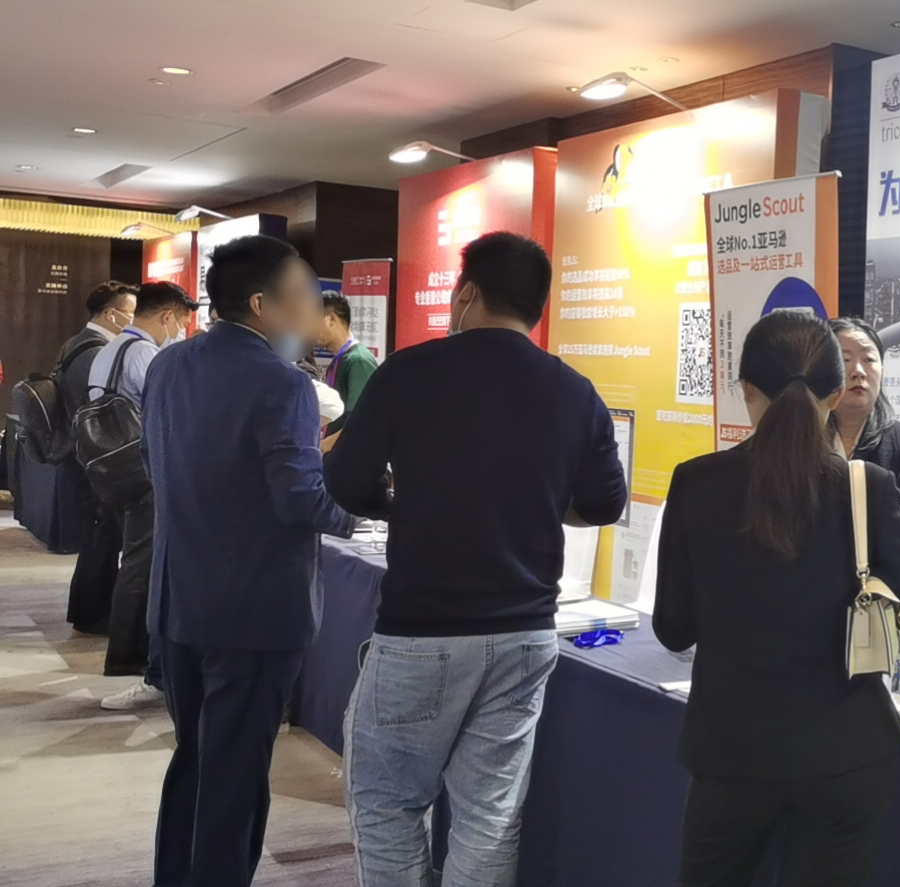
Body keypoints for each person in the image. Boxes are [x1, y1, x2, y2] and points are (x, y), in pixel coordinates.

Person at [325, 231, 626, 887]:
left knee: (386, 801)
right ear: (537, 308)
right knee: (489, 816)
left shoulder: (409, 371)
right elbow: (605, 503)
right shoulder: (574, 390)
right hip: (526, 631)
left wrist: (404, 506)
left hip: (422, 629)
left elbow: (345, 481)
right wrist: (536, 504)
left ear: (465, 293)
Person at [653, 310, 900, 887]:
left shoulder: (696, 482)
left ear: (747, 390)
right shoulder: (867, 487)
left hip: (731, 751)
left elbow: (673, 627)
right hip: (847, 751)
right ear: (834, 395)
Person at [141, 235, 355, 887]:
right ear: (263, 304)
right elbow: (299, 501)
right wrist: (362, 513)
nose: (313, 309)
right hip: (255, 613)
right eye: (304, 294)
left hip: (179, 600)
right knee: (235, 776)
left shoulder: (169, 366)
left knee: (196, 760)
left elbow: (157, 467)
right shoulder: (282, 383)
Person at [88, 282, 197, 708]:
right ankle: (129, 657)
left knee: (133, 560)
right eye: (182, 321)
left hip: (111, 468)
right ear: (168, 316)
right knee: (144, 563)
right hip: (141, 472)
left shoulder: (111, 348)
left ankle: (126, 653)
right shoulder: (145, 354)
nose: (182, 331)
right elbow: (168, 413)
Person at [60, 281, 138, 634]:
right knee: (102, 538)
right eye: (131, 313)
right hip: (95, 462)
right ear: (111, 313)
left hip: (84, 458)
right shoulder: (96, 353)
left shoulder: (76, 344)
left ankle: (90, 612)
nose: (134, 320)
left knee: (101, 537)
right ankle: (92, 615)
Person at [828, 316, 900, 516]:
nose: (858, 372)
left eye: (869, 359)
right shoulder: (798, 436)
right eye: (844, 360)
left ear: (882, 370)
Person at [317, 290, 377, 438]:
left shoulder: (359, 360)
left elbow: (361, 421)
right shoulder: (340, 360)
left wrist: (322, 447)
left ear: (331, 319)